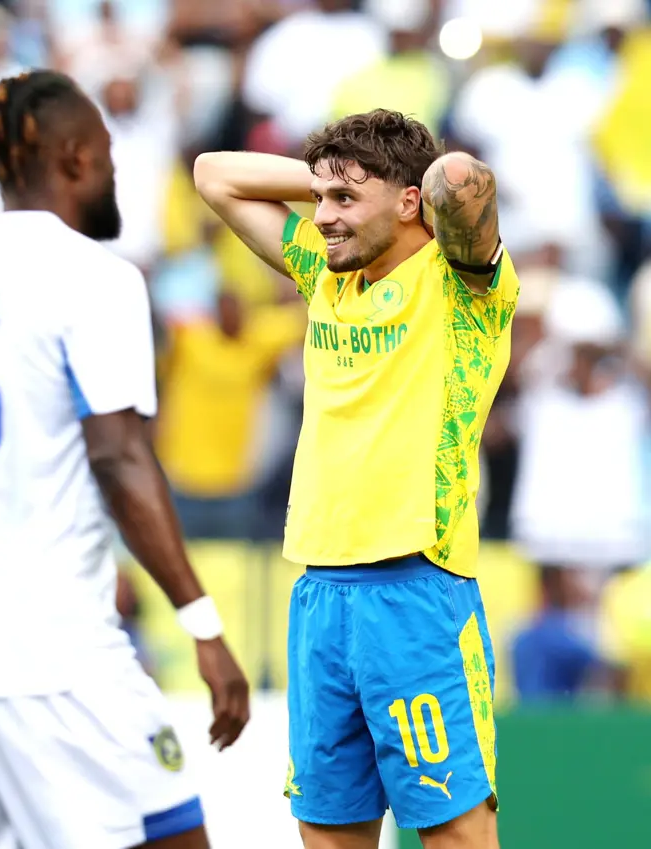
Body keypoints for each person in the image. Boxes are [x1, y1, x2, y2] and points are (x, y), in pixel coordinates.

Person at [0, 70, 250, 849]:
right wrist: (202, 621)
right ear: (76, 158)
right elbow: (118, 456)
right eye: (109, 154)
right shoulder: (96, 278)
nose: (117, 172)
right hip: (48, 639)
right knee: (172, 837)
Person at [195, 111, 516, 848]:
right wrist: (333, 181)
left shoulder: (460, 287)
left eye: (344, 199)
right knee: (327, 832)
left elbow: (461, 179)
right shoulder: (325, 273)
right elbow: (212, 174)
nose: (322, 216)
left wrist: (395, 182)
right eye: (320, 199)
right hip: (320, 595)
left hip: (418, 592)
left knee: (458, 833)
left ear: (409, 202)